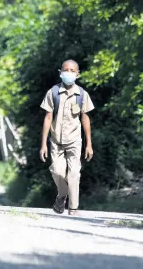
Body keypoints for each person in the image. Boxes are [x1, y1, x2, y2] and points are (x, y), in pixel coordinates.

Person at [39, 59, 95, 216]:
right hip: (56, 140)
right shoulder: (53, 92)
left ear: (78, 74)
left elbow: (85, 119)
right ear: (60, 72)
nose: (68, 73)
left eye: (72, 71)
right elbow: (48, 118)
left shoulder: (82, 94)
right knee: (56, 171)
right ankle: (62, 195)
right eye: (65, 70)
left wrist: (89, 144)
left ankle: (73, 208)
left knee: (74, 173)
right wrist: (43, 144)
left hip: (74, 140)